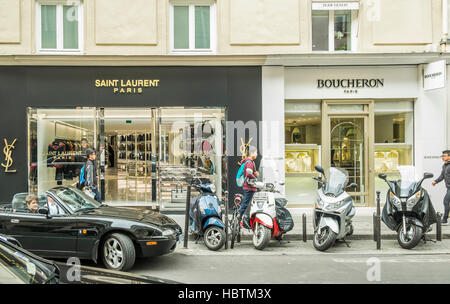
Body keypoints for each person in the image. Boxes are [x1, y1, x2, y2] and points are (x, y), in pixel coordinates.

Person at [238, 146, 259, 219]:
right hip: (249, 187)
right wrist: (255, 176)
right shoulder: (249, 162)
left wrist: (254, 173)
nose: (257, 154)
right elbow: (248, 174)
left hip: (248, 187)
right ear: (252, 153)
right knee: (246, 204)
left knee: (247, 203)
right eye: (256, 152)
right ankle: (239, 217)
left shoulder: (248, 162)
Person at [432, 150, 450, 225]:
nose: (442, 157)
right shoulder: (445, 165)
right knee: (446, 202)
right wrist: (436, 181)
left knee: (446, 201)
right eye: (442, 156)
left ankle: (445, 219)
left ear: (449, 156)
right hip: (448, 188)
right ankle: (445, 218)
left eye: (444, 156)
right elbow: (442, 176)